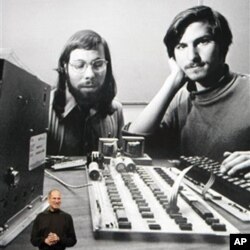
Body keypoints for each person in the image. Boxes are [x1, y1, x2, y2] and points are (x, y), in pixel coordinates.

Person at [125, 5, 250, 178]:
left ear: (222, 46)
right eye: (181, 46)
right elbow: (132, 143)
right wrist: (173, 82)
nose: (192, 56)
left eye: (203, 41)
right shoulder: (181, 100)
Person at [47, 30, 124, 156]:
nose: (90, 75)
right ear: (65, 68)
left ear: (107, 68)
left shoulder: (116, 111)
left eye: (98, 64)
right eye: (79, 65)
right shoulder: (43, 110)